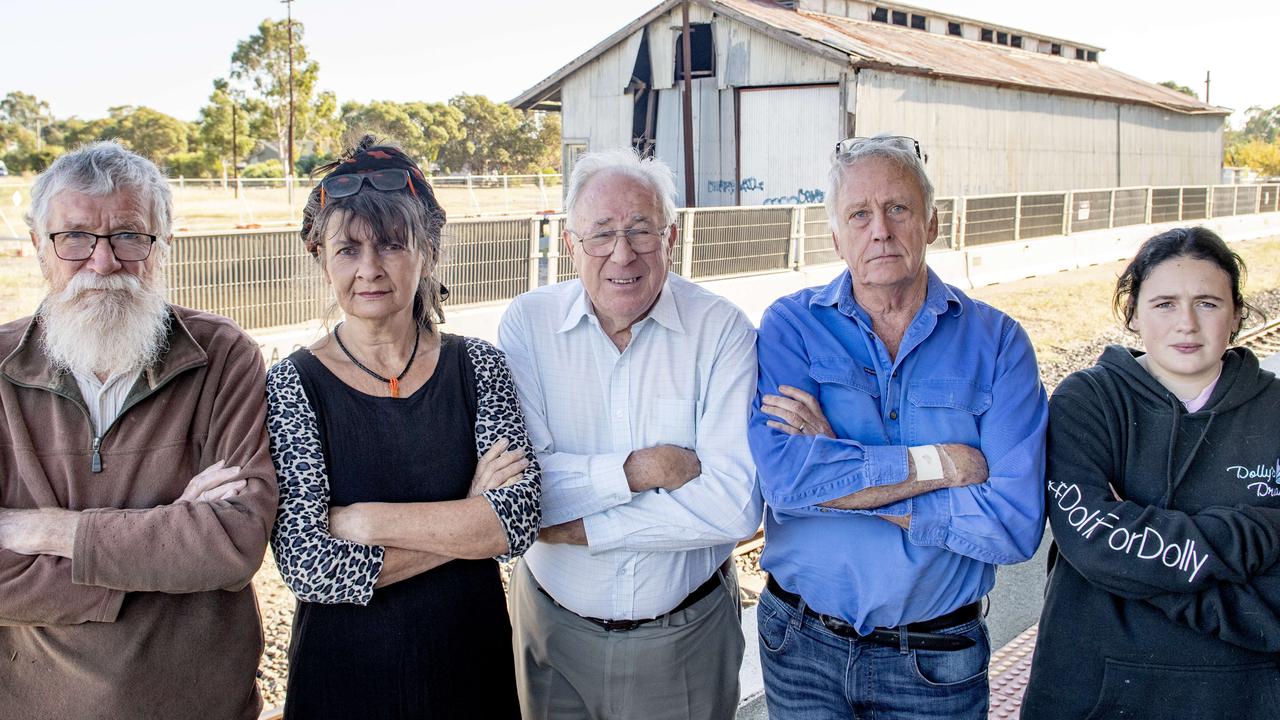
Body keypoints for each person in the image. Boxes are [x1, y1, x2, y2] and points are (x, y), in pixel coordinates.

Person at [748, 134, 1048, 718]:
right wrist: (944, 465)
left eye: (898, 209)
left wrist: (837, 469)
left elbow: (1013, 527)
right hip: (800, 645)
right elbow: (785, 482)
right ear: (836, 236)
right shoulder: (791, 326)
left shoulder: (999, 343)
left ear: (931, 223)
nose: (879, 230)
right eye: (859, 214)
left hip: (935, 658)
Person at [0, 142, 278, 718]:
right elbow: (196, 547)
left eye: (129, 236)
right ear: (37, 247)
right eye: (74, 237)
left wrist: (50, 530)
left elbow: (230, 545)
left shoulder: (222, 356)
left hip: (201, 704)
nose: (102, 263)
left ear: (163, 245)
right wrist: (167, 534)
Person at [266, 137, 541, 719]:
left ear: (429, 250)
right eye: (347, 250)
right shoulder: (293, 384)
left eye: (391, 244)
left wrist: (365, 521)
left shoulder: (479, 367)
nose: (369, 269)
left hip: (470, 669)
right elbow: (308, 565)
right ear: (320, 257)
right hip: (344, 682)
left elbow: (514, 523)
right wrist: (466, 517)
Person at [499, 148, 761, 720]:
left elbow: (734, 507)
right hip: (552, 636)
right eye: (601, 234)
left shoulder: (722, 331)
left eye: (641, 231)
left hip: (685, 641)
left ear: (670, 239)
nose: (623, 253)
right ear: (570, 244)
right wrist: (643, 470)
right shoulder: (528, 324)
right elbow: (522, 494)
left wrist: (584, 528)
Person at [1022, 227, 1280, 718]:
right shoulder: (1087, 402)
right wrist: (1263, 532)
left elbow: (1117, 551)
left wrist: (1140, 573)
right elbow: (1095, 543)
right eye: (1164, 304)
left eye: (1207, 303)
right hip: (1095, 692)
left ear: (1238, 314)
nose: (1186, 323)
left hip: (1245, 695)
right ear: (1134, 313)